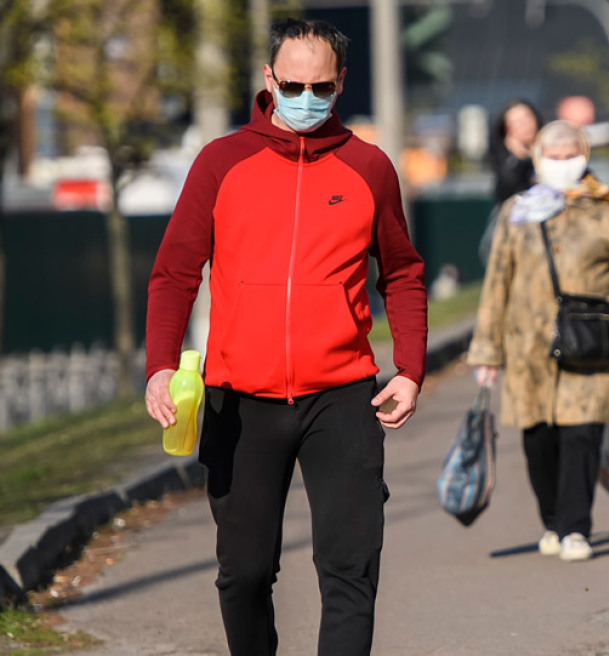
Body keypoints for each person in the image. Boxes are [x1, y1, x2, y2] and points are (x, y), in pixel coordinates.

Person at [143, 18, 427, 656]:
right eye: (291, 84)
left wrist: (409, 369)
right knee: (243, 574)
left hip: (342, 397)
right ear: (268, 79)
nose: (304, 98)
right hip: (239, 398)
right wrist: (159, 367)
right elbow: (173, 272)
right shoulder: (221, 161)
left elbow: (403, 272)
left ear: (340, 83)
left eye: (319, 86)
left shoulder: (369, 167)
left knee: (350, 570)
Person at [468, 120, 609, 562]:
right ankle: (551, 519)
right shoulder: (518, 210)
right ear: (537, 159)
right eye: (555, 155)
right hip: (529, 349)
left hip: (593, 343)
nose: (565, 163)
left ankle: (575, 528)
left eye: (573, 153)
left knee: (582, 435)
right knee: (538, 440)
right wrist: (487, 350)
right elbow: (497, 282)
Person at [479, 99, 543, 264]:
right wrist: (518, 160)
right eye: (516, 122)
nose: (525, 125)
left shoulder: (552, 152)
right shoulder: (507, 162)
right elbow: (504, 192)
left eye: (527, 117)